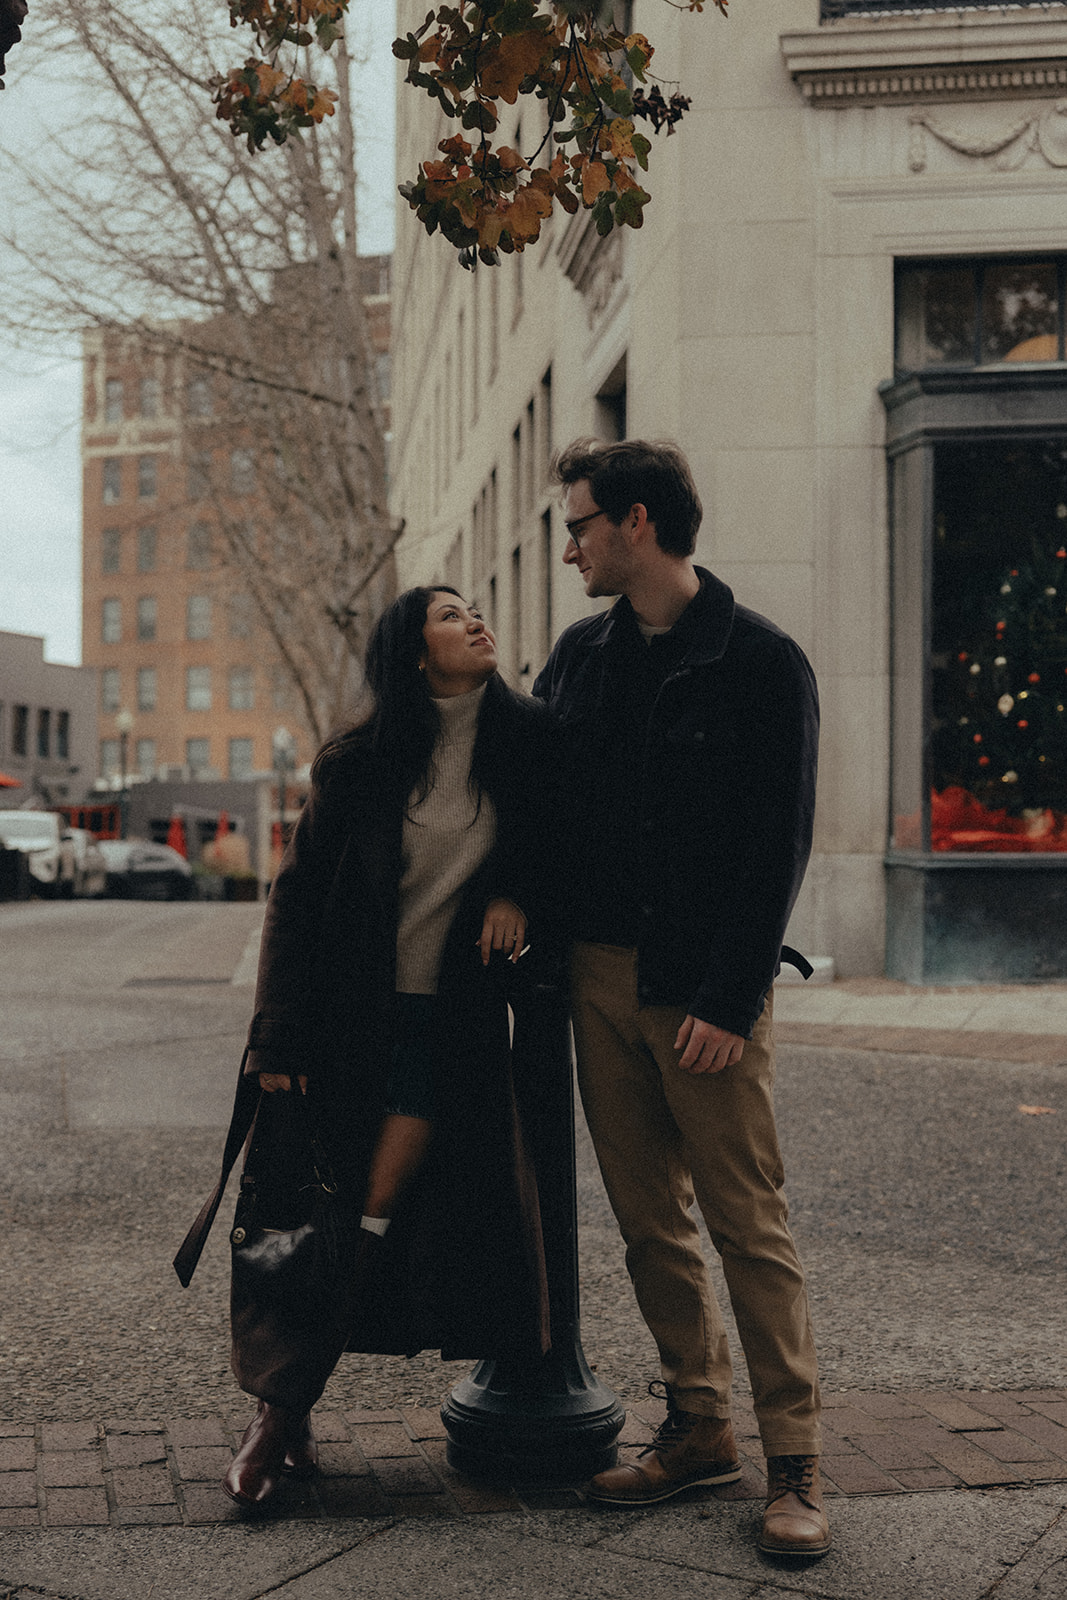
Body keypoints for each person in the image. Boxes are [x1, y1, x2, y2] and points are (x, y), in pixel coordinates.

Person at [199, 587, 564, 1511]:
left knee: (368, 1208)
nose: (478, 618)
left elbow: (566, 847)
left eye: (479, 607)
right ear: (412, 653)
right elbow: (294, 899)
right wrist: (275, 1033)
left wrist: (517, 890)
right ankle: (287, 1411)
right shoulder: (358, 763)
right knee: (307, 1213)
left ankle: (279, 1413)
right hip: (343, 1021)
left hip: (446, 1027)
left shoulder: (526, 743)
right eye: (450, 614)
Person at [532, 439, 829, 1559]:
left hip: (703, 991)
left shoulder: (759, 661)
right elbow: (537, 796)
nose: (568, 548)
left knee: (748, 1224)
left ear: (637, 522)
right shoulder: (576, 658)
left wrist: (730, 991)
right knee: (649, 1225)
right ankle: (698, 1425)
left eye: (579, 526)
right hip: (595, 981)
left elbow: (777, 843)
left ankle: (792, 1461)